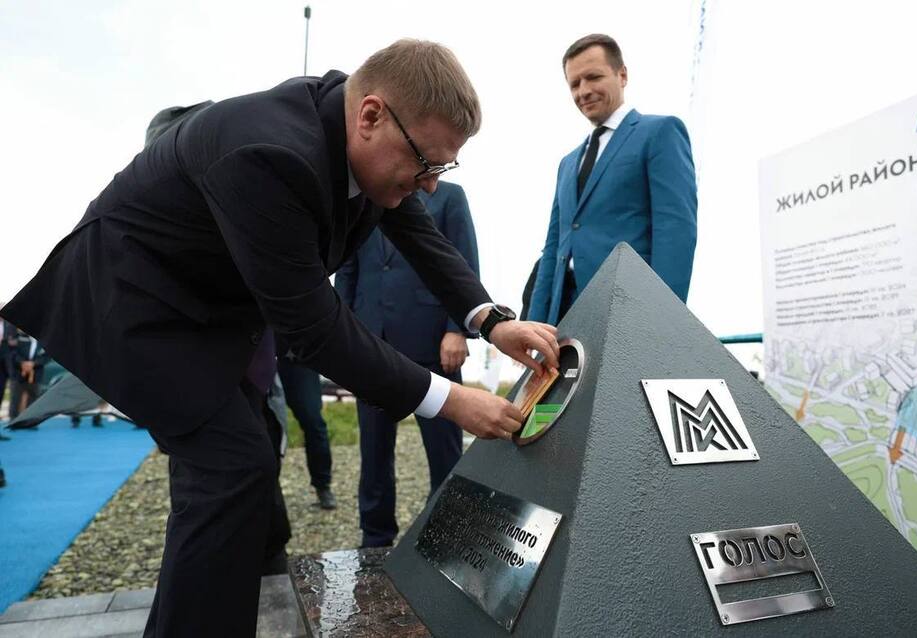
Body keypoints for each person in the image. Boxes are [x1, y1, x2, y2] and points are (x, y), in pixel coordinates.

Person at [0, 39, 559, 638]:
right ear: (371, 115)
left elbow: (421, 238)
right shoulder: (269, 154)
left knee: (233, 474)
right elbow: (315, 328)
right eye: (426, 164)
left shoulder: (359, 137)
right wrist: (450, 400)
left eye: (442, 170)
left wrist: (493, 322)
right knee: (234, 470)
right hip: (131, 305)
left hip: (205, 315)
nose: (428, 186)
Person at [336, 181, 478, 547]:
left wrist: (457, 329)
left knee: (444, 451)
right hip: (371, 342)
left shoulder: (450, 196)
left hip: (431, 341)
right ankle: (375, 535)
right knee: (373, 450)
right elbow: (347, 269)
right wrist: (342, 334)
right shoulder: (363, 196)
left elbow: (462, 264)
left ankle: (447, 536)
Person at [527, 33, 697, 325]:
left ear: (622, 75)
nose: (584, 91)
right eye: (575, 84)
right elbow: (553, 247)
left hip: (628, 308)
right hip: (564, 316)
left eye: (593, 77)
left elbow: (675, 230)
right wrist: (535, 323)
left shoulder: (660, 133)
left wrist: (664, 322)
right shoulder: (567, 163)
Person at [277, 359, 337, 509]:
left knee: (314, 424)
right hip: (260, 358)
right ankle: (266, 490)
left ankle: (323, 485)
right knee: (265, 426)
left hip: (297, 360)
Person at [9, 329, 49, 419]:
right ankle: (13, 420)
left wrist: (33, 363)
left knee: (33, 399)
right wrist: (23, 363)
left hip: (36, 374)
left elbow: (46, 356)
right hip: (19, 373)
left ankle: (30, 420)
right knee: (15, 398)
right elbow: (14, 353)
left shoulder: (45, 341)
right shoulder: (20, 337)